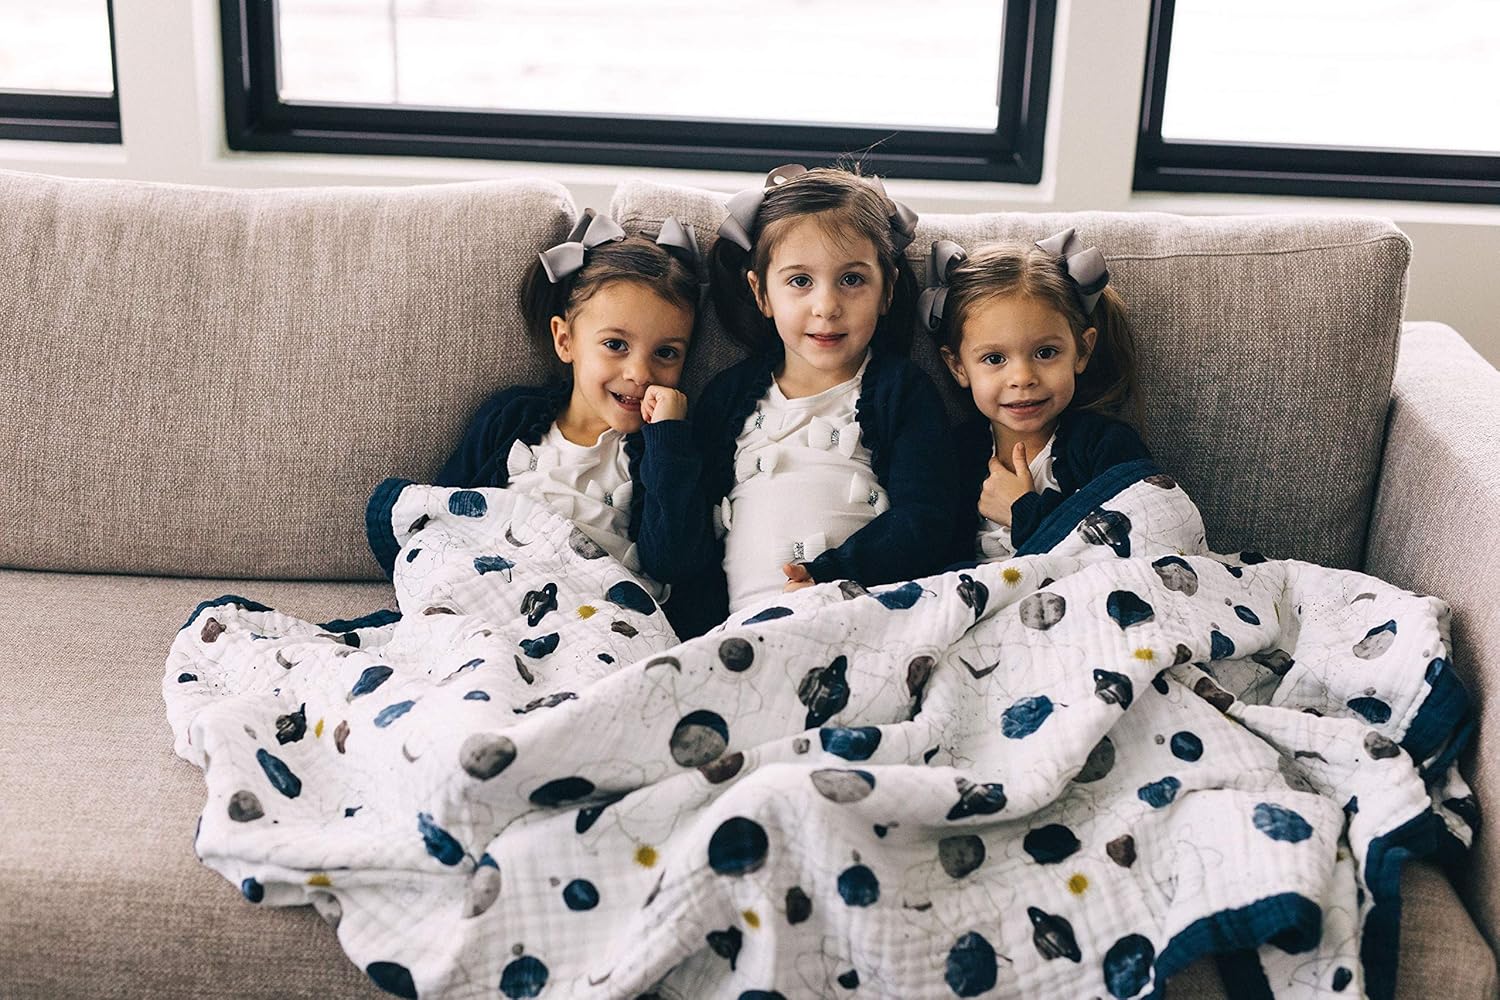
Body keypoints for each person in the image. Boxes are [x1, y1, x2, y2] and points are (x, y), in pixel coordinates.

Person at [647, 164, 958, 636]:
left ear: (887, 290)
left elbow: (927, 522)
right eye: (799, 281)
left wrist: (831, 574)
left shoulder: (901, 391)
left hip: (864, 619)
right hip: (740, 636)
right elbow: (675, 555)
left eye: (851, 280)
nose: (826, 306)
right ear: (761, 293)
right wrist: (667, 438)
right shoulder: (727, 398)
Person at [431, 210, 703, 599]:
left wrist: (668, 437)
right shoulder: (510, 418)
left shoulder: (666, 452)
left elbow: (672, 561)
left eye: (666, 353)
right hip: (493, 596)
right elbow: (442, 516)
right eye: (615, 345)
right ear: (565, 341)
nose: (640, 373)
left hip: (594, 615)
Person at [920, 228, 1151, 563]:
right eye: (994, 359)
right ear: (958, 367)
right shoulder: (954, 455)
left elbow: (1139, 543)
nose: (1023, 378)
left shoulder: (1105, 446)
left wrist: (1024, 511)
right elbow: (933, 562)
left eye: (1045, 353)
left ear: (1082, 350)